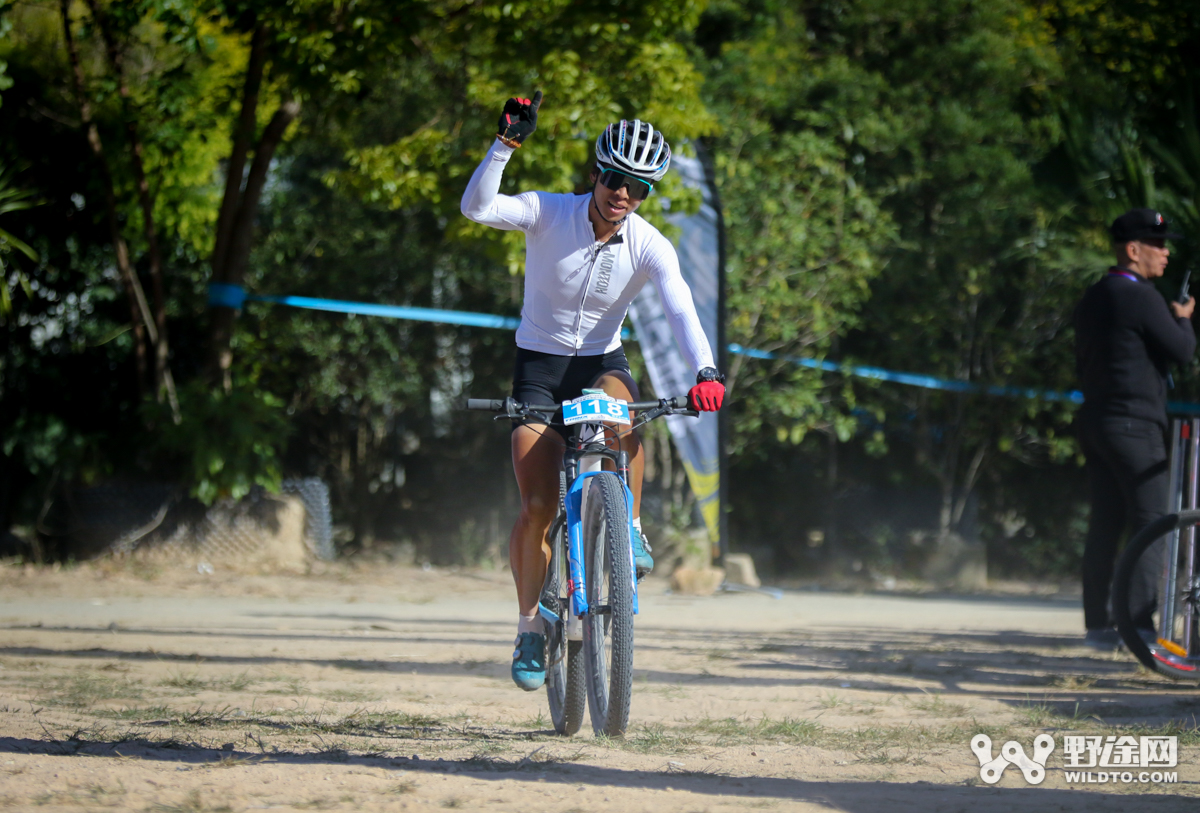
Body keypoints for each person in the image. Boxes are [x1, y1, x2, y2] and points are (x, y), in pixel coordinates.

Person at [460, 92, 726, 690]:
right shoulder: (548, 212)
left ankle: (627, 526)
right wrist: (505, 145)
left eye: (637, 187)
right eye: (613, 178)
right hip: (538, 368)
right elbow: (477, 208)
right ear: (595, 175)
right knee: (536, 510)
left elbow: (680, 306)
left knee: (623, 410)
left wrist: (705, 371)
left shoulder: (650, 243)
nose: (622, 194)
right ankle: (530, 624)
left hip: (602, 362)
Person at [1073, 207, 1195, 650]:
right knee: (1152, 522)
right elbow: (1181, 350)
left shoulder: (1095, 295)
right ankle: (1141, 627)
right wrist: (1183, 316)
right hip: (1134, 423)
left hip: (1096, 418)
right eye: (1158, 245)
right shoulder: (1140, 295)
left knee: (1105, 523)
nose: (1165, 255)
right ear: (1132, 250)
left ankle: (1099, 626)